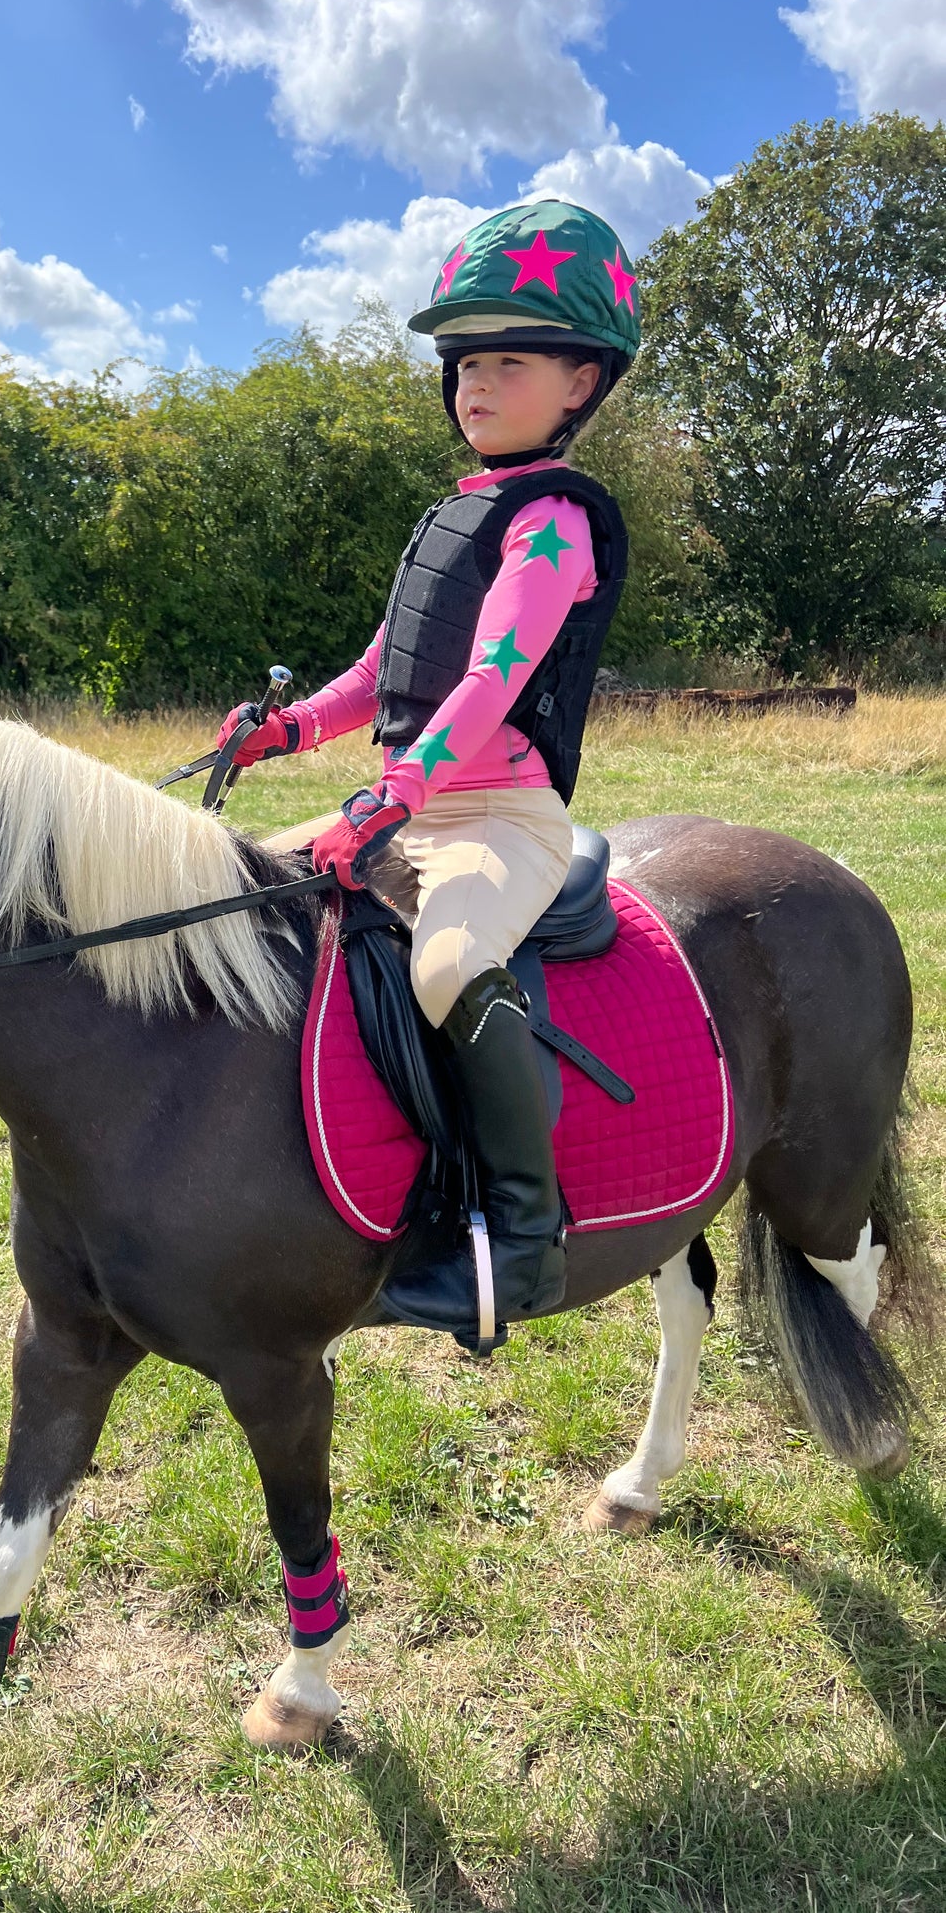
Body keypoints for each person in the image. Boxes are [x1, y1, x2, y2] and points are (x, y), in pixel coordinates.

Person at [216, 198, 640, 1342]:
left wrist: (390, 793)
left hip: (498, 814)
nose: (474, 386)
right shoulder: (457, 513)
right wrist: (287, 731)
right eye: (463, 363)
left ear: (580, 382)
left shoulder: (551, 522)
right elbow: (383, 669)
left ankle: (522, 1236)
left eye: (508, 361)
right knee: (232, 888)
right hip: (408, 803)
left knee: (450, 965)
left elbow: (493, 676)